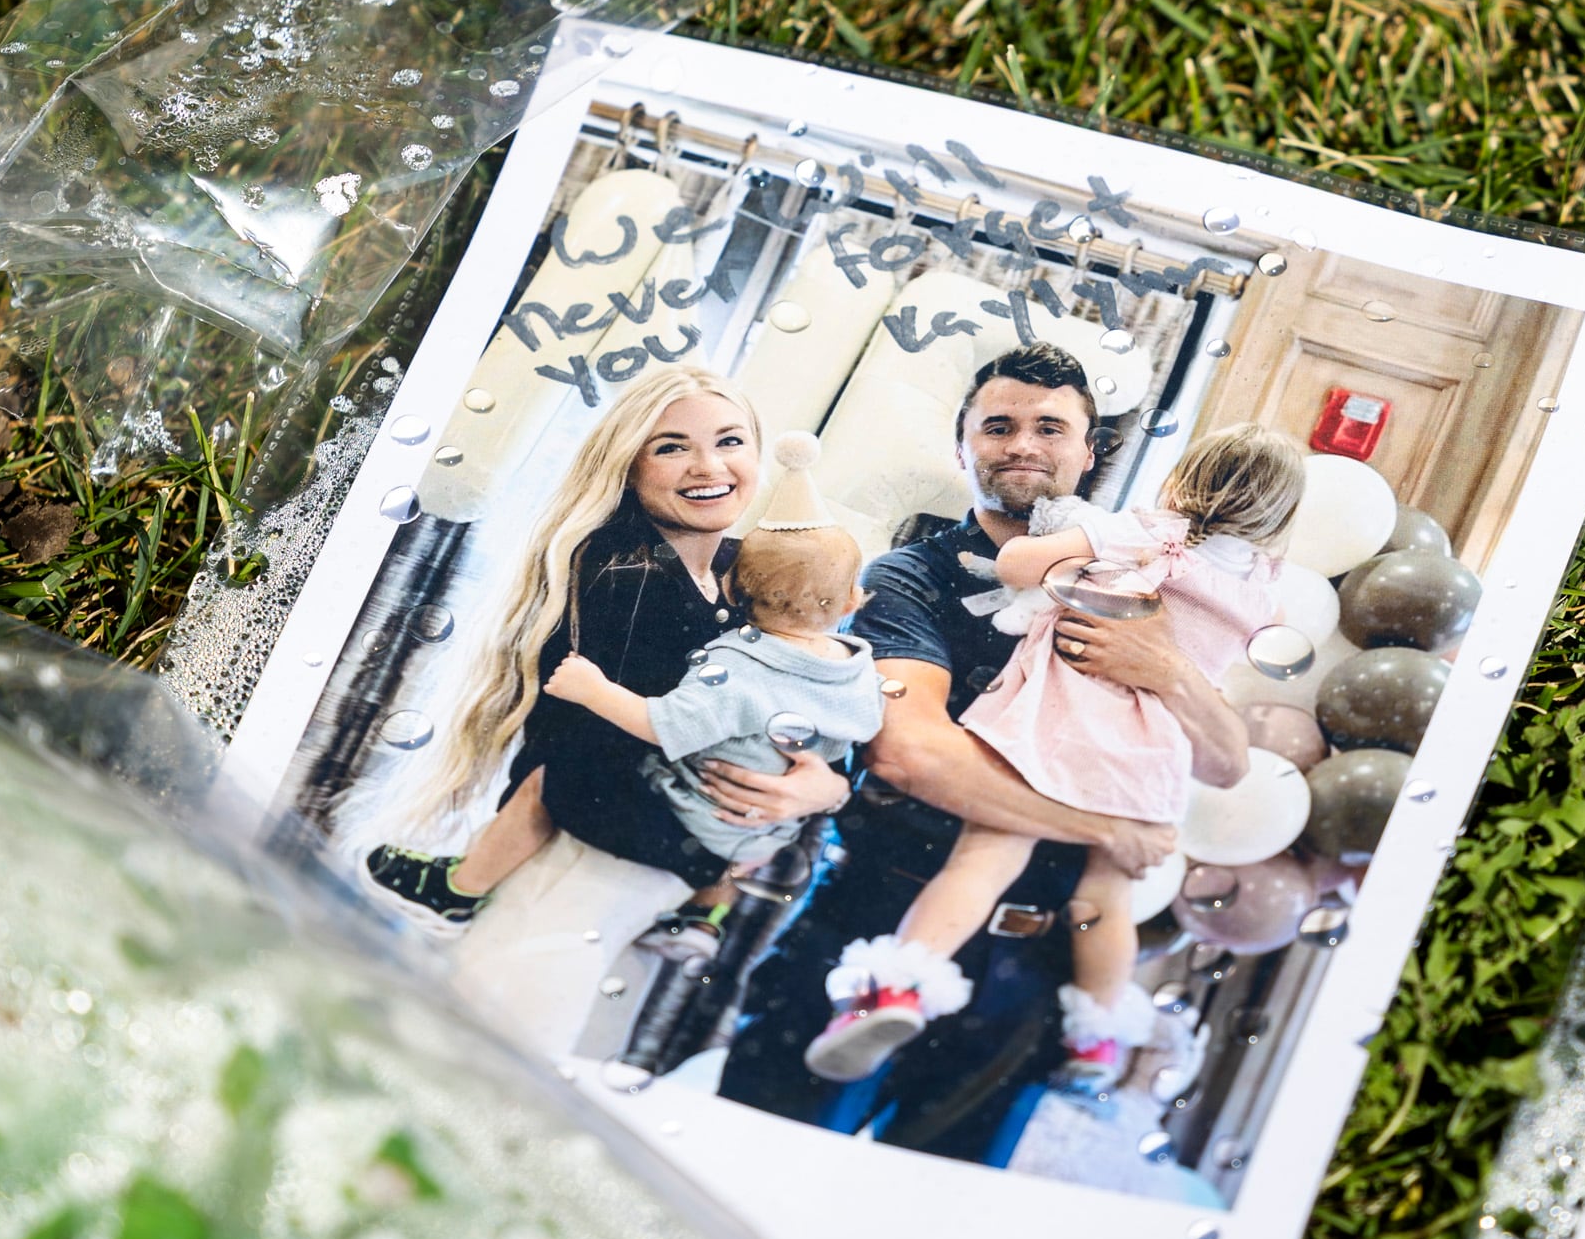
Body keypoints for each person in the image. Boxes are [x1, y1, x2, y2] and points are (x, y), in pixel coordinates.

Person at [714, 343, 1248, 1162]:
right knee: (749, 1179)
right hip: (873, 928)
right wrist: (1105, 827)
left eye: (1050, 427)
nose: (1023, 444)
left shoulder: (1141, 586)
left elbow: (1224, 765)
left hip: (1027, 980)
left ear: (1090, 451)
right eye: (997, 427)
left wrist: (1169, 670)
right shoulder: (906, 580)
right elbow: (914, 755)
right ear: (963, 449)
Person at [355, 367, 848, 1053]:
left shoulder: (747, 576)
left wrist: (822, 786)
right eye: (672, 446)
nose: (709, 465)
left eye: (730, 440)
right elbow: (600, 753)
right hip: (583, 858)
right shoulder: (626, 573)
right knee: (489, 1069)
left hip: (645, 889)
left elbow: (807, 703)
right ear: (629, 465)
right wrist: (716, 850)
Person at [804, 422, 1302, 1088]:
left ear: (1183, 477)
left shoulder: (1146, 532)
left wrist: (1072, 557)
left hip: (1068, 720)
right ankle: (1095, 1041)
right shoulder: (1262, 590)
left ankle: (896, 989)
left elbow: (1015, 567)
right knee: (1108, 894)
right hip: (1156, 751)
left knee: (984, 858)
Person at [536, 431, 884, 962]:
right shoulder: (856, 665)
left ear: (730, 590)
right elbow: (861, 734)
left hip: (699, 817)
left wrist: (595, 690)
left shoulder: (738, 666)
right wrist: (828, 786)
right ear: (853, 601)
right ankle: (705, 916)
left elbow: (665, 725)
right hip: (773, 832)